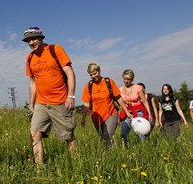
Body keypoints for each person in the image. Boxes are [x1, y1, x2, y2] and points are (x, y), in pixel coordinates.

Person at [23, 26, 77, 164]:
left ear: (41, 38)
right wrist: (31, 104)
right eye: (28, 40)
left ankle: (76, 164)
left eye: (33, 39)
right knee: (35, 133)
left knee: (68, 136)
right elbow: (33, 83)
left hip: (60, 101)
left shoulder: (55, 50)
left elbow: (70, 73)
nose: (31, 43)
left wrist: (70, 96)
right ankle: (39, 168)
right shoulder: (30, 58)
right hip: (41, 103)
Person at [81, 63, 130, 148]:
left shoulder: (109, 82)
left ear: (99, 71)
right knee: (103, 139)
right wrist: (83, 118)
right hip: (97, 117)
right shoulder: (89, 86)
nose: (93, 76)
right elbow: (86, 103)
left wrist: (126, 111)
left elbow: (118, 98)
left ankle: (105, 157)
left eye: (95, 73)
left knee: (107, 138)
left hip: (110, 113)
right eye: (91, 75)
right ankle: (113, 152)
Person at [118, 69, 153, 146]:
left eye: (128, 79)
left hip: (138, 113)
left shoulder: (138, 87)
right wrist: (118, 119)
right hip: (127, 114)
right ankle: (126, 150)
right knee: (123, 134)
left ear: (132, 79)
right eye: (124, 79)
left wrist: (149, 114)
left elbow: (144, 101)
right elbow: (121, 105)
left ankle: (144, 149)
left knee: (141, 134)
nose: (126, 81)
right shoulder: (120, 90)